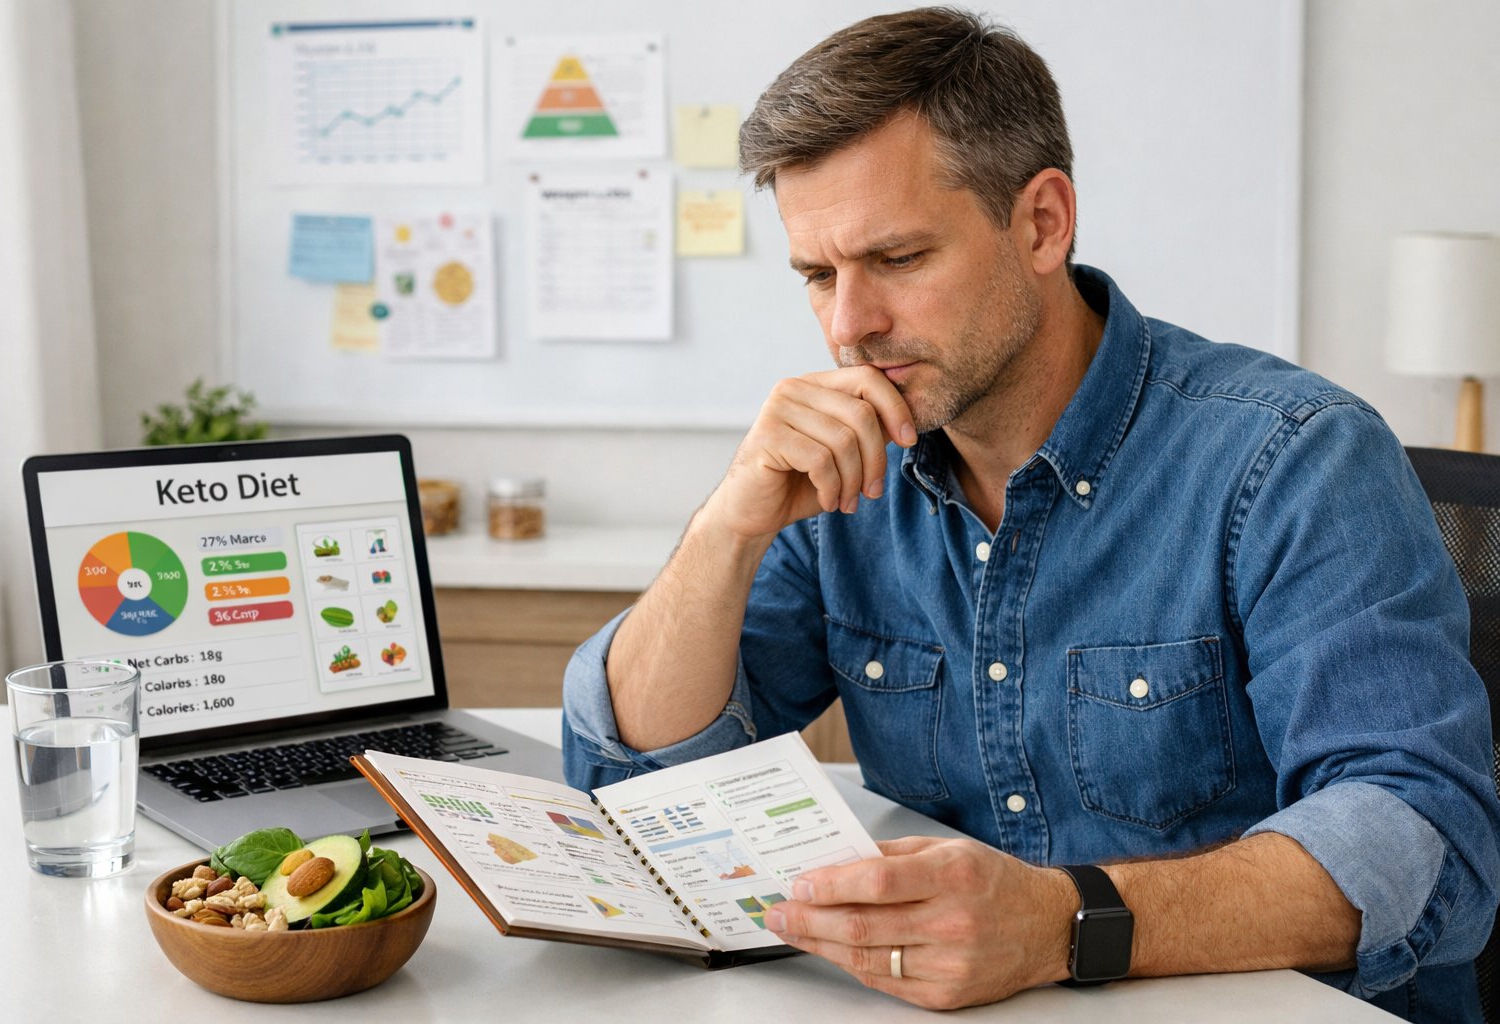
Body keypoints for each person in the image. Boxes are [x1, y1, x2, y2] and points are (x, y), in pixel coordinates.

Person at [560, 8, 1500, 1019]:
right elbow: (635, 780)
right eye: (818, 276)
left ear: (1044, 222)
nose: (848, 326)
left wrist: (1062, 923)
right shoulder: (843, 471)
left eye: (899, 258)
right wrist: (725, 529)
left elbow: (1419, 839)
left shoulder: (1293, 458)